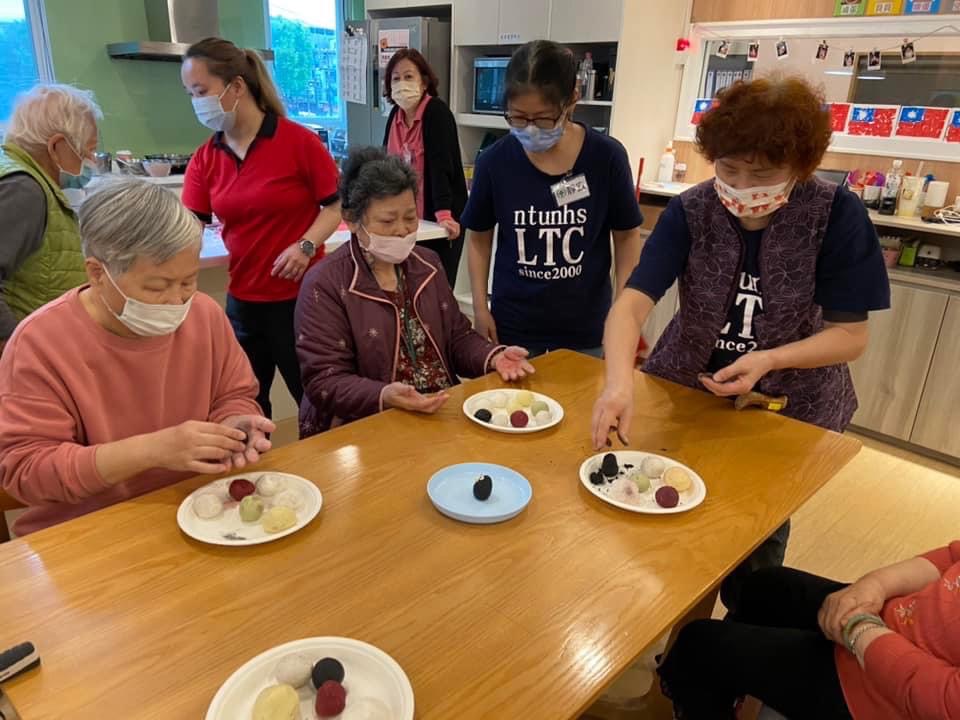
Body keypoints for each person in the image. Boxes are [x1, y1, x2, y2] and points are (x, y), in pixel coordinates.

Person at [592, 76, 890, 611]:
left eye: (763, 172)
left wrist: (769, 359)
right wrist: (618, 383)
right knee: (671, 514)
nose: (743, 186)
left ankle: (727, 658)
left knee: (753, 544)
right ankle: (678, 641)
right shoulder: (693, 210)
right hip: (689, 391)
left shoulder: (836, 215)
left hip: (789, 405)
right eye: (729, 168)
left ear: (800, 165)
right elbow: (632, 304)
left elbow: (850, 336)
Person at [0, 178, 274, 536]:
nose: (178, 301)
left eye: (188, 281)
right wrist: (152, 450)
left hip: (199, 510)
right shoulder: (41, 343)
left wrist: (235, 423)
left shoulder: (204, 315)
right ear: (98, 273)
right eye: (157, 287)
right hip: (87, 533)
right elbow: (28, 471)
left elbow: (234, 394)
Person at [296, 147, 534, 437]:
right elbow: (324, 381)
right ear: (352, 219)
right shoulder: (326, 283)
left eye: (409, 217)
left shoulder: (427, 264)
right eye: (387, 221)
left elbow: (457, 338)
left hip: (438, 408)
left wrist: (493, 357)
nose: (401, 230)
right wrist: (384, 394)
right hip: (367, 424)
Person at [181, 37, 342, 419]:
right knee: (247, 408)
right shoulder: (206, 157)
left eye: (201, 91)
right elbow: (189, 227)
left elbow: (335, 207)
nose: (196, 102)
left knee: (315, 400)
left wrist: (305, 246)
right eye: (190, 93)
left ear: (237, 87)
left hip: (301, 301)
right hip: (243, 304)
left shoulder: (298, 142)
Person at [462, 40, 643, 357]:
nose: (530, 130)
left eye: (543, 119)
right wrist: (480, 307)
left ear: (571, 100)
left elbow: (627, 237)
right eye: (518, 117)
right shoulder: (494, 161)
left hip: (588, 328)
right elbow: (479, 238)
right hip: (514, 325)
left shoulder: (606, 157)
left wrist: (624, 311)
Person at [658, 543, 960, 719]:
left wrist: (860, 630)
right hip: (889, 624)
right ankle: (735, 691)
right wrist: (875, 584)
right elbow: (949, 556)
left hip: (882, 699)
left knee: (698, 647)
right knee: (764, 586)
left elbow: (945, 700)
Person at [0, 83, 102, 355]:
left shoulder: (22, 178)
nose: (91, 160)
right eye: (88, 150)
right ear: (57, 145)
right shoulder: (23, 189)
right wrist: (18, 350)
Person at [382, 48, 467, 287]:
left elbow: (442, 168)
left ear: (424, 81)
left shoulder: (436, 113)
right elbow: (385, 166)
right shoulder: (395, 116)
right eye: (396, 78)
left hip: (437, 218)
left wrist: (444, 214)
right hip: (405, 221)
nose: (401, 84)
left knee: (434, 290)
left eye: (409, 76)